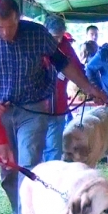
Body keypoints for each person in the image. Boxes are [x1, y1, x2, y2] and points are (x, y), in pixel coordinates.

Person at [0, 0, 107, 214]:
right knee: (8, 169)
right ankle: (19, 212)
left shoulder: (37, 34)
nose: (4, 32)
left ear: (18, 18)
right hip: (1, 110)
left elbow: (64, 63)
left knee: (28, 163)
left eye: (10, 26)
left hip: (33, 108)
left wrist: (89, 88)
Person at [43, 15, 85, 162]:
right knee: (36, 147)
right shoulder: (36, 46)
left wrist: (87, 87)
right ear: (45, 32)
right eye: (55, 37)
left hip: (58, 107)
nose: (58, 41)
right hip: (36, 108)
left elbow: (79, 70)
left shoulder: (67, 48)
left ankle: (50, 181)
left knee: (54, 148)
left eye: (60, 37)